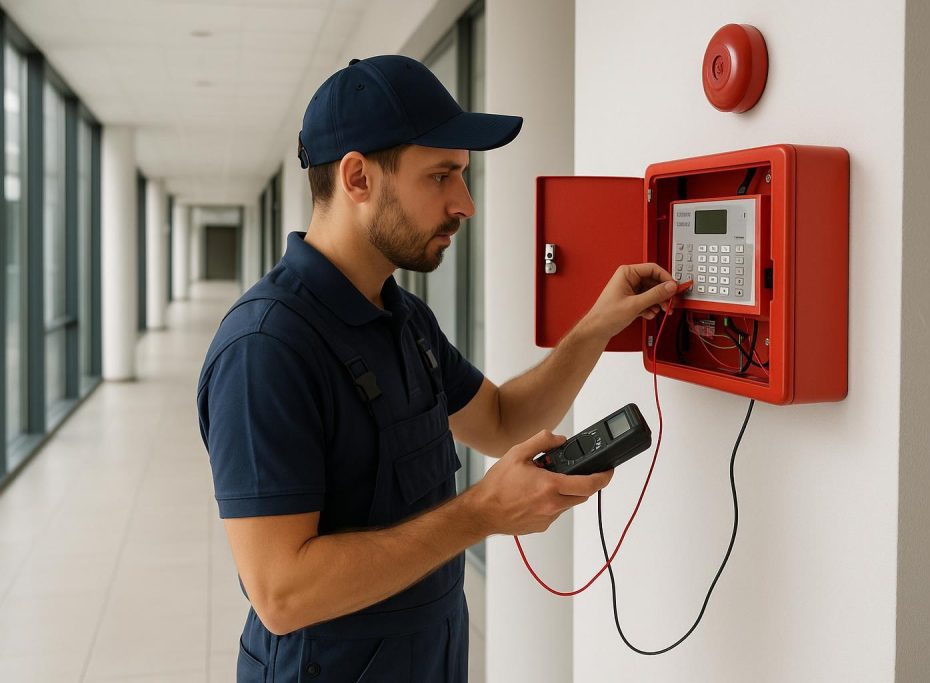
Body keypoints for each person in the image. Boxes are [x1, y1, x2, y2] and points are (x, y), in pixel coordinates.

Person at [197, 54, 680, 682]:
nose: (465, 204)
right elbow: (281, 593)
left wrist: (595, 326)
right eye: (442, 176)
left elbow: (503, 421)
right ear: (358, 177)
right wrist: (481, 512)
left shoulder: (403, 319)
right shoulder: (267, 348)